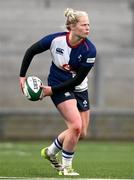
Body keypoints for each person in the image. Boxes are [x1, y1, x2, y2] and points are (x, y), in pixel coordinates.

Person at [19, 8, 97, 176]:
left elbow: (77, 80)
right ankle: (66, 168)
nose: (88, 28)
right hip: (58, 83)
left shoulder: (90, 50)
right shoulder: (56, 40)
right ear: (72, 26)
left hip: (79, 87)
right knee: (75, 126)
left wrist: (50, 91)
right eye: (84, 25)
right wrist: (22, 76)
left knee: (81, 133)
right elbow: (31, 51)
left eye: (89, 24)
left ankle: (50, 151)